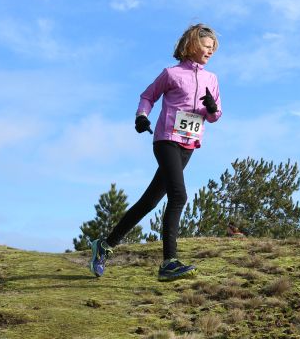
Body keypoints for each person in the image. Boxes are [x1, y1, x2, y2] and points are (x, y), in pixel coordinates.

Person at [88, 24, 222, 281]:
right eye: (207, 47)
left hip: (189, 144)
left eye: (213, 49)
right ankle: (169, 262)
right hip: (166, 140)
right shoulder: (171, 74)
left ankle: (104, 245)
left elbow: (215, 117)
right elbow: (148, 96)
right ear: (193, 45)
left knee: (150, 201)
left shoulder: (211, 79)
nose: (210, 52)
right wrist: (141, 116)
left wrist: (212, 108)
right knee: (179, 196)